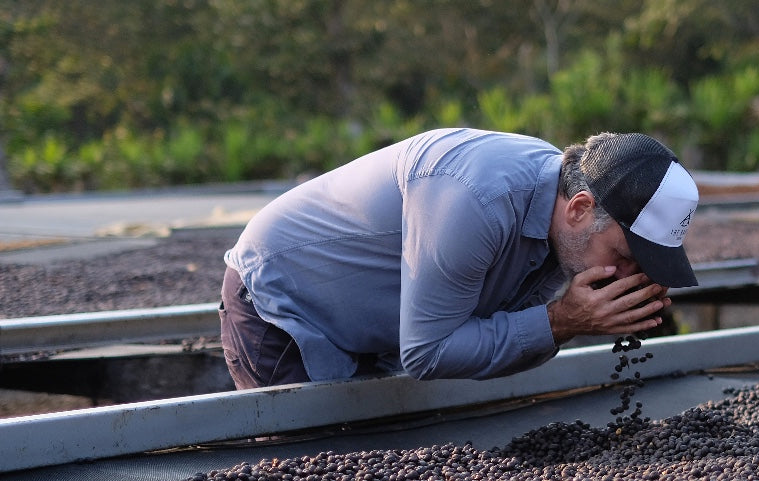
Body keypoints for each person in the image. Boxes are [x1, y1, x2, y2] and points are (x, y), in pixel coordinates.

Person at [219, 128, 699, 389]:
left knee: (376, 467)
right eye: (626, 255)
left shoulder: (563, 232)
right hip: (285, 300)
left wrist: (581, 319)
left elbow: (487, 342)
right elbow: (428, 353)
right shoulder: (480, 201)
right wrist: (559, 322)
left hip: (377, 328)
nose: (628, 274)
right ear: (579, 209)